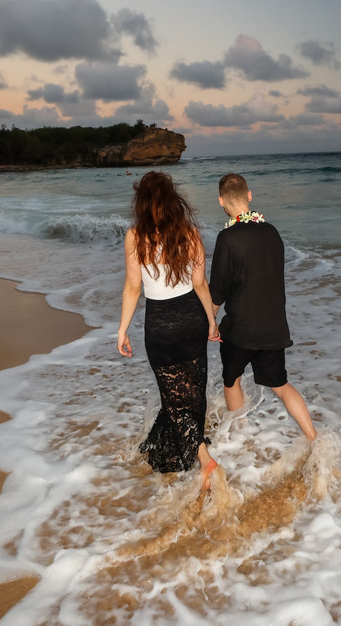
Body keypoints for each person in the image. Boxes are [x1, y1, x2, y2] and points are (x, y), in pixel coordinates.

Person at [117, 171, 220, 490]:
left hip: (160, 325)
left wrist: (122, 330)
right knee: (194, 394)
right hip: (192, 319)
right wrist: (211, 320)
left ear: (142, 202)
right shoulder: (189, 233)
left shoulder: (136, 236)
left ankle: (204, 460)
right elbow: (200, 283)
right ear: (173, 199)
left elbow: (133, 287)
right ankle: (182, 451)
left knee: (173, 399)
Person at [209, 173, 318, 442]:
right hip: (273, 327)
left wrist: (210, 323)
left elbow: (218, 290)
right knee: (280, 385)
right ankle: (314, 438)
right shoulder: (271, 232)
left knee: (232, 380)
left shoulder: (227, 238)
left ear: (221, 201)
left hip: (241, 328)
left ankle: (242, 437)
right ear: (249, 195)